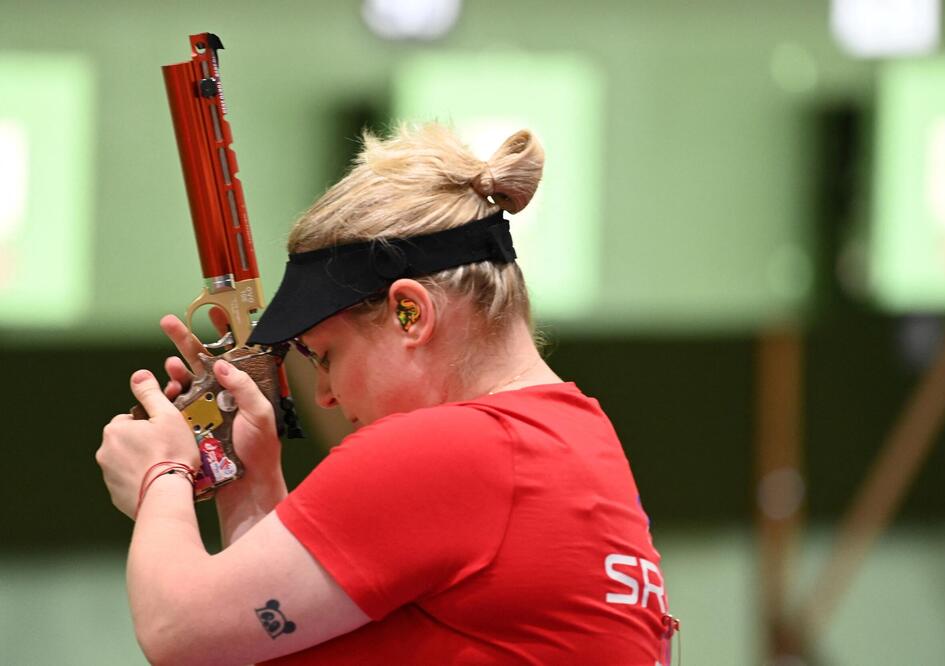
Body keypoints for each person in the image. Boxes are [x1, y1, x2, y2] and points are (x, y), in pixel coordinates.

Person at [97, 123, 673, 665]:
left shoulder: (452, 448)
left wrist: (161, 474)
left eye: (326, 356)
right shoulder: (572, 440)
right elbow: (253, 630)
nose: (322, 394)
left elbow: (177, 631)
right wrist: (248, 481)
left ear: (409, 313)